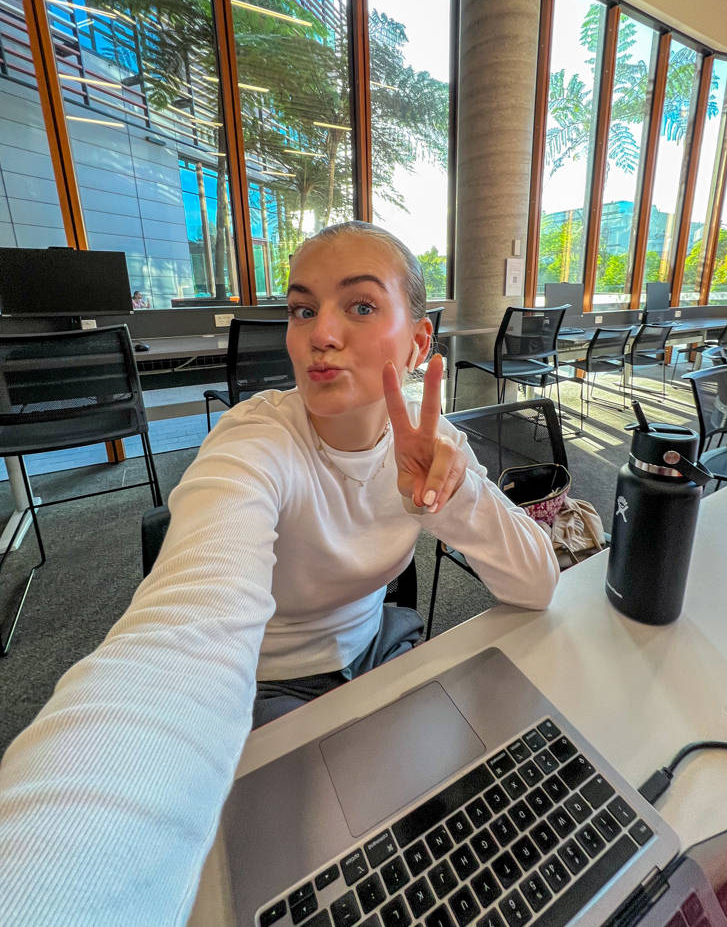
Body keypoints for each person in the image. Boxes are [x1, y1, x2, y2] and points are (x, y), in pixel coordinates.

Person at [0, 221, 560, 924]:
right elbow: (183, 642)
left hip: (379, 646)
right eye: (302, 309)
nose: (320, 334)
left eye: (360, 305)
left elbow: (538, 583)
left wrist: (454, 499)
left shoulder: (433, 443)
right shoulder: (255, 444)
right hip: (267, 685)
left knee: (463, 817)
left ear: (419, 343)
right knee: (304, 877)